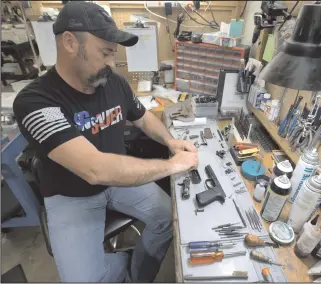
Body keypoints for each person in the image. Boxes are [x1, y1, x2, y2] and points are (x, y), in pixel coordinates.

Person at [13, 2, 198, 282]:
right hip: (71, 196)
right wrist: (172, 165)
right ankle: (115, 265)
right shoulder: (35, 102)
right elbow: (95, 169)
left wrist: (171, 142)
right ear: (70, 43)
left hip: (118, 182)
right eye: (105, 53)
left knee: (168, 219)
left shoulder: (114, 82)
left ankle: (136, 274)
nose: (112, 64)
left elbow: (143, 117)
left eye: (114, 54)